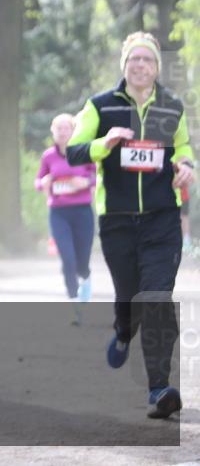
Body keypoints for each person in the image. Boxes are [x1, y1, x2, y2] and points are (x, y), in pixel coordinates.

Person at [67, 31, 195, 419]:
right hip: (118, 221)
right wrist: (103, 143)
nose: (140, 65)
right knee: (130, 297)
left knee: (156, 298)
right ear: (124, 66)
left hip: (162, 220)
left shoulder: (172, 106)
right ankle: (123, 330)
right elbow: (72, 151)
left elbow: (185, 147)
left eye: (147, 60)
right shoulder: (100, 106)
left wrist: (186, 166)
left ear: (157, 67)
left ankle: (159, 388)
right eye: (133, 59)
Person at [35, 113, 97, 322]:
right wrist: (43, 182)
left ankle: (86, 278)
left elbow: (97, 176)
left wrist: (86, 182)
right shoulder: (48, 157)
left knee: (81, 262)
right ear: (53, 131)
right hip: (59, 213)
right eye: (58, 129)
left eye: (66, 128)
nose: (62, 132)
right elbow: (38, 182)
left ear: (73, 131)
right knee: (67, 259)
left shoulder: (84, 152)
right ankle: (74, 303)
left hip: (82, 212)